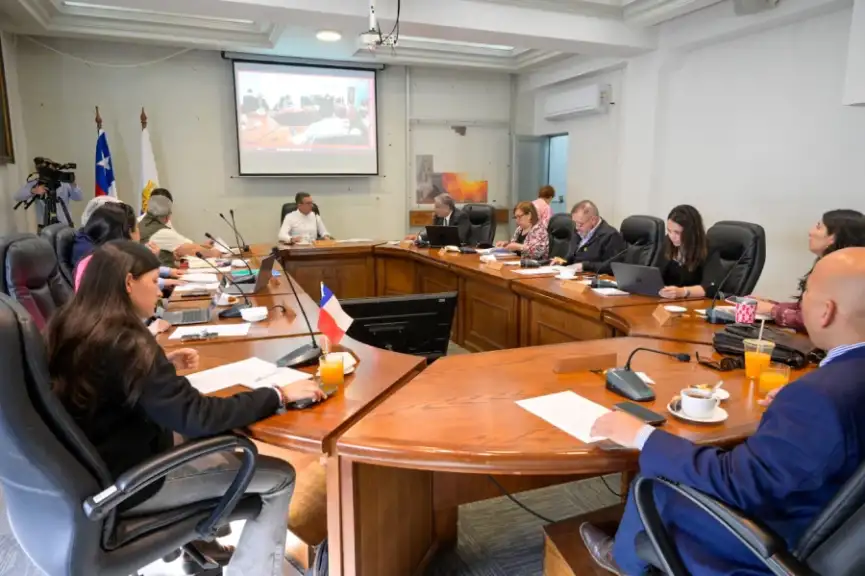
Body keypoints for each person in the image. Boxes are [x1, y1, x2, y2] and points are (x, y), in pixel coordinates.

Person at [580, 247, 865, 576]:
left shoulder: (819, 397)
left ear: (826, 311)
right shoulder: (836, 385)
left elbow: (737, 482)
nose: (801, 301)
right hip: (829, 525)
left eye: (806, 291)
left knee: (655, 480)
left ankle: (623, 560)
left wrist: (640, 435)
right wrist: (797, 404)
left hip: (773, 544)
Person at [47, 241, 326, 576]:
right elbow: (198, 417)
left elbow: (110, 380)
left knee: (217, 446)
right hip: (135, 482)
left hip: (98, 470)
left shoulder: (73, 323)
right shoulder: (127, 341)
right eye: (154, 282)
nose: (159, 293)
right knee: (280, 477)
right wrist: (277, 394)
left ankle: (202, 547)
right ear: (128, 282)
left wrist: (160, 363)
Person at [750, 209, 865, 331]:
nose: (811, 232)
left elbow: (814, 319)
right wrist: (772, 305)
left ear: (833, 237)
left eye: (818, 227)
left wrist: (772, 310)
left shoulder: (841, 273)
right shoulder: (827, 264)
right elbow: (807, 309)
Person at [71, 202, 185, 293]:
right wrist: (152, 263)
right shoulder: (104, 265)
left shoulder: (100, 254)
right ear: (128, 232)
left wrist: (166, 274)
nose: (139, 232)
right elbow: (136, 289)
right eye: (137, 227)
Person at [139, 195, 221, 266]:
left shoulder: (141, 223)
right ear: (167, 216)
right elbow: (191, 249)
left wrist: (203, 246)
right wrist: (214, 253)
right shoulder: (161, 232)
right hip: (163, 275)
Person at [657, 204, 718, 299]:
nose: (672, 236)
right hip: (667, 301)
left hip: (695, 303)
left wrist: (683, 292)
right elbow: (657, 274)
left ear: (691, 232)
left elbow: (711, 287)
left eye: (677, 232)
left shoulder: (709, 249)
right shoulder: (667, 242)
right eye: (669, 231)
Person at [552, 200, 627, 273]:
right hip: (574, 276)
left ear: (593, 220)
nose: (576, 227)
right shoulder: (578, 231)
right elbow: (573, 256)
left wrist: (585, 266)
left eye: (580, 224)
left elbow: (612, 266)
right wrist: (563, 261)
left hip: (594, 278)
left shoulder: (610, 235)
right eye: (575, 223)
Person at [13, 159, 84, 227]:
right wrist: (34, 190)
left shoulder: (64, 183)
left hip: (64, 226)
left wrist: (73, 184)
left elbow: (79, 197)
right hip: (44, 226)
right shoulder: (37, 183)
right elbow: (17, 196)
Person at [405, 193, 471, 245]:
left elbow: (460, 238)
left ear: (447, 207)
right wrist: (419, 237)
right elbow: (431, 232)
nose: (435, 210)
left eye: (437, 207)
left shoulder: (461, 217)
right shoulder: (438, 217)